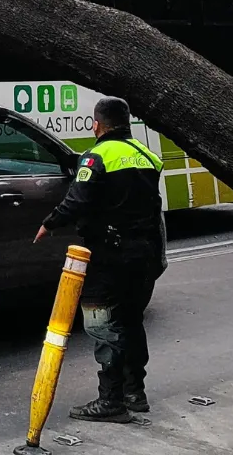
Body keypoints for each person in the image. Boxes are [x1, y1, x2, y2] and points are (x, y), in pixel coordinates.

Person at [34, 96, 167, 423]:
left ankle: (111, 400)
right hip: (144, 253)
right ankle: (136, 393)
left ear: (97, 124)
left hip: (109, 255)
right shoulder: (146, 156)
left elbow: (76, 202)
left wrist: (48, 223)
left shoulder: (96, 158)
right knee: (132, 320)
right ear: (127, 122)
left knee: (102, 322)